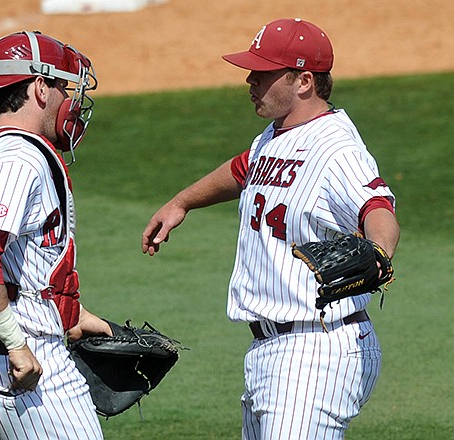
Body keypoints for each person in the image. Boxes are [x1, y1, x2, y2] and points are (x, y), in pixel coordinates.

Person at [141, 18, 400, 440]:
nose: (250, 80)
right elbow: (244, 169)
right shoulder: (275, 136)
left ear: (303, 81)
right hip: (270, 351)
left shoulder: (336, 148)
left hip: (317, 350)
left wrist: (378, 252)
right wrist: (182, 202)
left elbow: (377, 205)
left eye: (263, 73)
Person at [0, 30, 111, 440]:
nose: (70, 100)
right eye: (63, 87)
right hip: (22, 371)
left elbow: (19, 262)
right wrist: (17, 344)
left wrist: (71, 315)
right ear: (39, 88)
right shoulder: (19, 156)